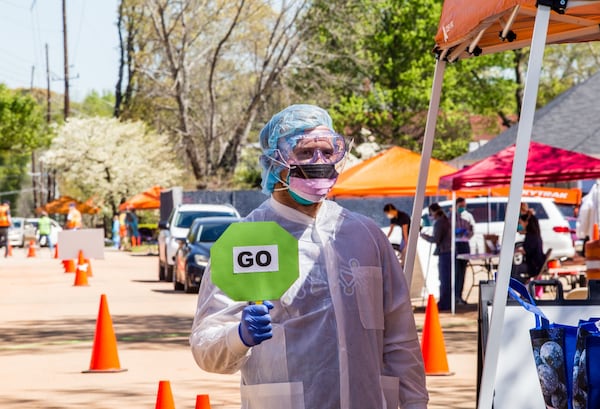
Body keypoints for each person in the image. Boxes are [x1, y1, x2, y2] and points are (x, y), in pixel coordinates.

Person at [190, 104, 428, 409]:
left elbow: (399, 339)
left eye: (328, 152)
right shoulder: (245, 241)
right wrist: (238, 335)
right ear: (275, 160)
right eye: (305, 152)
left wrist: (415, 403)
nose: (319, 161)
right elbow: (204, 347)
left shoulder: (366, 236)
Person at [420, 203, 452, 311]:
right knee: (446, 279)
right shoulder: (445, 220)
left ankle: (444, 303)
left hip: (444, 252)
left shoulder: (439, 223)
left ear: (433, 212)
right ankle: (446, 301)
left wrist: (424, 236)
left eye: (430, 213)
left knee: (444, 279)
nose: (430, 215)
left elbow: (436, 239)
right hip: (447, 251)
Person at [513, 203, 546, 283]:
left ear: (526, 223)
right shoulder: (534, 235)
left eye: (520, 223)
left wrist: (516, 250)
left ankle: (522, 283)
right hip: (535, 263)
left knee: (513, 270)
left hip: (533, 266)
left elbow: (527, 251)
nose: (519, 226)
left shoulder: (531, 237)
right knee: (513, 268)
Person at [454, 197, 474, 305]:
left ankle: (460, 296)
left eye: (464, 206)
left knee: (462, 272)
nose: (462, 208)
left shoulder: (468, 216)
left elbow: (472, 230)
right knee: (456, 272)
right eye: (460, 206)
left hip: (464, 244)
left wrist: (467, 233)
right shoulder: (452, 217)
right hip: (456, 245)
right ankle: (455, 297)